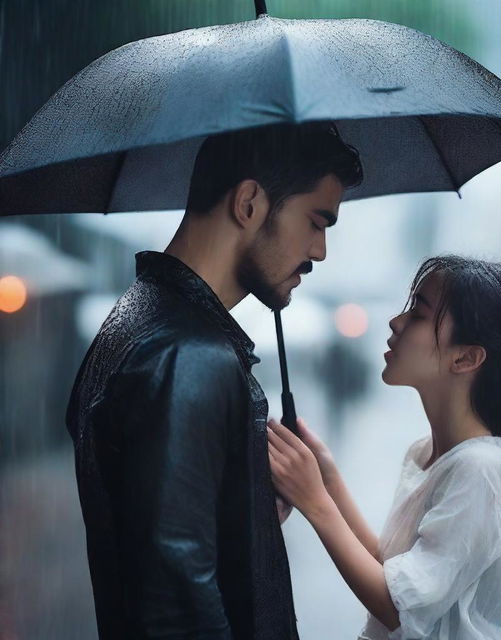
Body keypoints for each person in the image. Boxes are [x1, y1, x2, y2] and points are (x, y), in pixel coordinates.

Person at [65, 121, 363, 639]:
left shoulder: (137, 321)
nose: (319, 252)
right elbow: (176, 613)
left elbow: (165, 544)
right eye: (317, 222)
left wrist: (246, 508)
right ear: (248, 203)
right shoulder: (186, 354)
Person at [267, 255, 501, 640]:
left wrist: (314, 501)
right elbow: (392, 574)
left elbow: (397, 609)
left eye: (419, 314)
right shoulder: (428, 453)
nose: (396, 322)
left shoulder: (481, 469)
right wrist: (327, 478)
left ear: (466, 357)